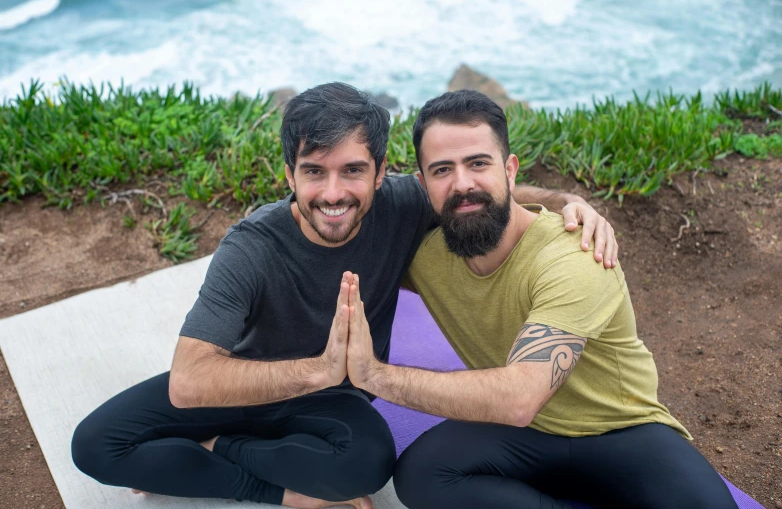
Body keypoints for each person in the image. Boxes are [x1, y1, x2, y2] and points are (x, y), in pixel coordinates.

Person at [70, 82, 617, 509]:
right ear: (290, 174)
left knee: (369, 464)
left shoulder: (404, 204)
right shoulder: (251, 247)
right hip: (244, 383)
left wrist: (567, 200)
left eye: (353, 170)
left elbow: (481, 188)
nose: (333, 193)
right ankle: (282, 491)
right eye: (314, 172)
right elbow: (190, 380)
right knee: (94, 446)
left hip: (333, 405)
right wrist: (319, 370)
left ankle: (212, 452)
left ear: (382, 172)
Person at [340, 90, 737, 509]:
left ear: (509, 169)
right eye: (442, 170)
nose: (462, 183)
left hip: (621, 430)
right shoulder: (424, 254)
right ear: (423, 185)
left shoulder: (575, 255)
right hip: (522, 438)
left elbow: (518, 399)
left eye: (478, 163)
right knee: (421, 476)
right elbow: (323, 218)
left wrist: (373, 375)